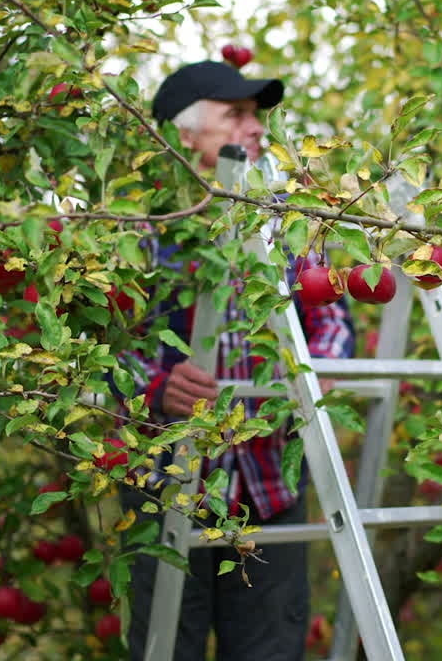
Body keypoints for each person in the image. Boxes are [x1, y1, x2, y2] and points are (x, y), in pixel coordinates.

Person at [114, 60, 356, 661]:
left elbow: (329, 321)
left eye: (257, 116)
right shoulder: (139, 229)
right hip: (167, 484)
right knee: (168, 643)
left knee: (272, 647)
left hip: (270, 480)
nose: (254, 128)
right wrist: (154, 387)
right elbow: (105, 345)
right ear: (186, 135)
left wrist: (308, 384)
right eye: (236, 115)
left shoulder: (285, 219)